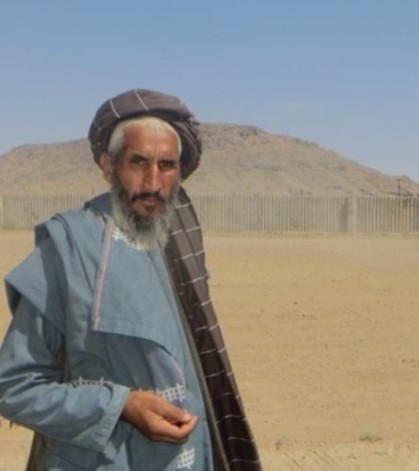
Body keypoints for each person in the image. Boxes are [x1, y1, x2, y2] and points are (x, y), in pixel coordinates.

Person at [0, 89, 262, 470]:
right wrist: (121, 405)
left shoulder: (180, 246)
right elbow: (14, 386)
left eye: (167, 165)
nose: (153, 182)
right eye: (138, 162)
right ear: (108, 166)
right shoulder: (68, 249)